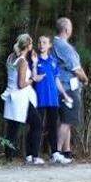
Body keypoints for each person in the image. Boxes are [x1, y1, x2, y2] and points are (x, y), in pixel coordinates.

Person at [27, 35, 71, 165]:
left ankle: (55, 153)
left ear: (50, 45)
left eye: (44, 42)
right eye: (39, 42)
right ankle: (31, 154)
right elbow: (32, 77)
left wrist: (64, 94)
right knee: (36, 126)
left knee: (52, 126)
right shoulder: (34, 60)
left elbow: (56, 79)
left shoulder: (53, 61)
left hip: (53, 99)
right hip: (39, 98)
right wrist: (35, 66)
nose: (41, 45)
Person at [52, 17, 88, 163]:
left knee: (67, 119)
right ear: (67, 30)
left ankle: (66, 151)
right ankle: (57, 152)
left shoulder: (53, 44)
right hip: (68, 87)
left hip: (60, 87)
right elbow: (76, 69)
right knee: (66, 121)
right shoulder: (64, 47)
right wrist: (85, 79)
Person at [2, 34, 36, 161]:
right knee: (35, 123)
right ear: (27, 46)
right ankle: (31, 154)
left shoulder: (11, 58)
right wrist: (32, 79)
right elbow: (21, 84)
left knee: (12, 127)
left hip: (11, 96)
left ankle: (9, 155)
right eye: (31, 44)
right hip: (20, 97)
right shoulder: (22, 61)